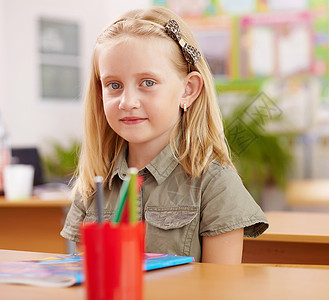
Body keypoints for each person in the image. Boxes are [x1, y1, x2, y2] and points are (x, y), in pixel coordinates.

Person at [61, 6, 268, 264]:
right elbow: (88, 279)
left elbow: (221, 288)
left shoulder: (215, 185)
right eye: (114, 85)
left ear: (188, 90)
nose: (128, 102)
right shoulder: (93, 187)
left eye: (147, 82)